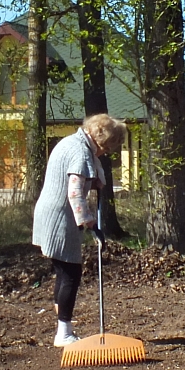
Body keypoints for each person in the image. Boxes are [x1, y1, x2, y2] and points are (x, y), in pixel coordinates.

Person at [32, 114, 127, 347]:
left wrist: (94, 181)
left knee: (64, 272)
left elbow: (81, 178)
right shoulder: (80, 151)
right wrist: (90, 223)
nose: (108, 152)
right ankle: (63, 334)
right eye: (111, 146)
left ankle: (62, 326)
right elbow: (74, 192)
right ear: (103, 140)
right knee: (71, 273)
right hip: (60, 216)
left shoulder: (71, 142)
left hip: (49, 212)